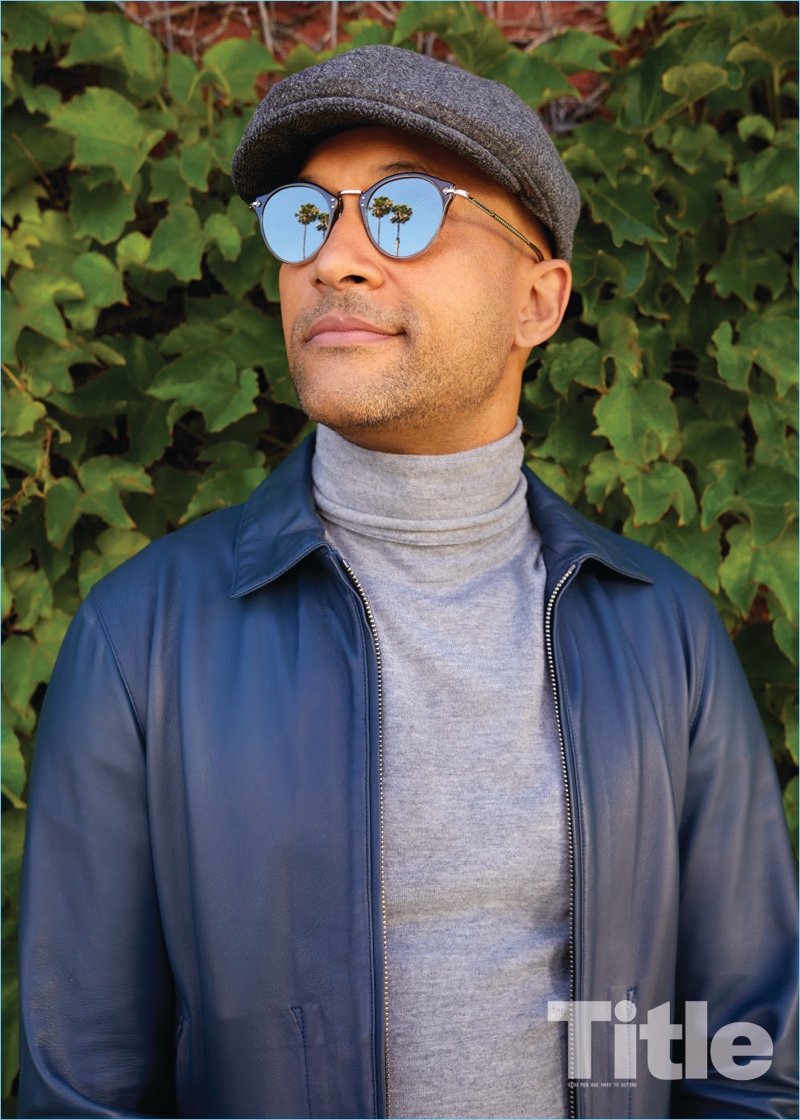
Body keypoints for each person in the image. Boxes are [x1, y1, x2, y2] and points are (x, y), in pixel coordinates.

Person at [17, 44, 797, 1120]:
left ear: (537, 296)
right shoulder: (143, 640)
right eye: (306, 219)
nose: (335, 259)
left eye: (403, 211)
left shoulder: (659, 632)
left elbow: (741, 1048)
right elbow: (84, 1088)